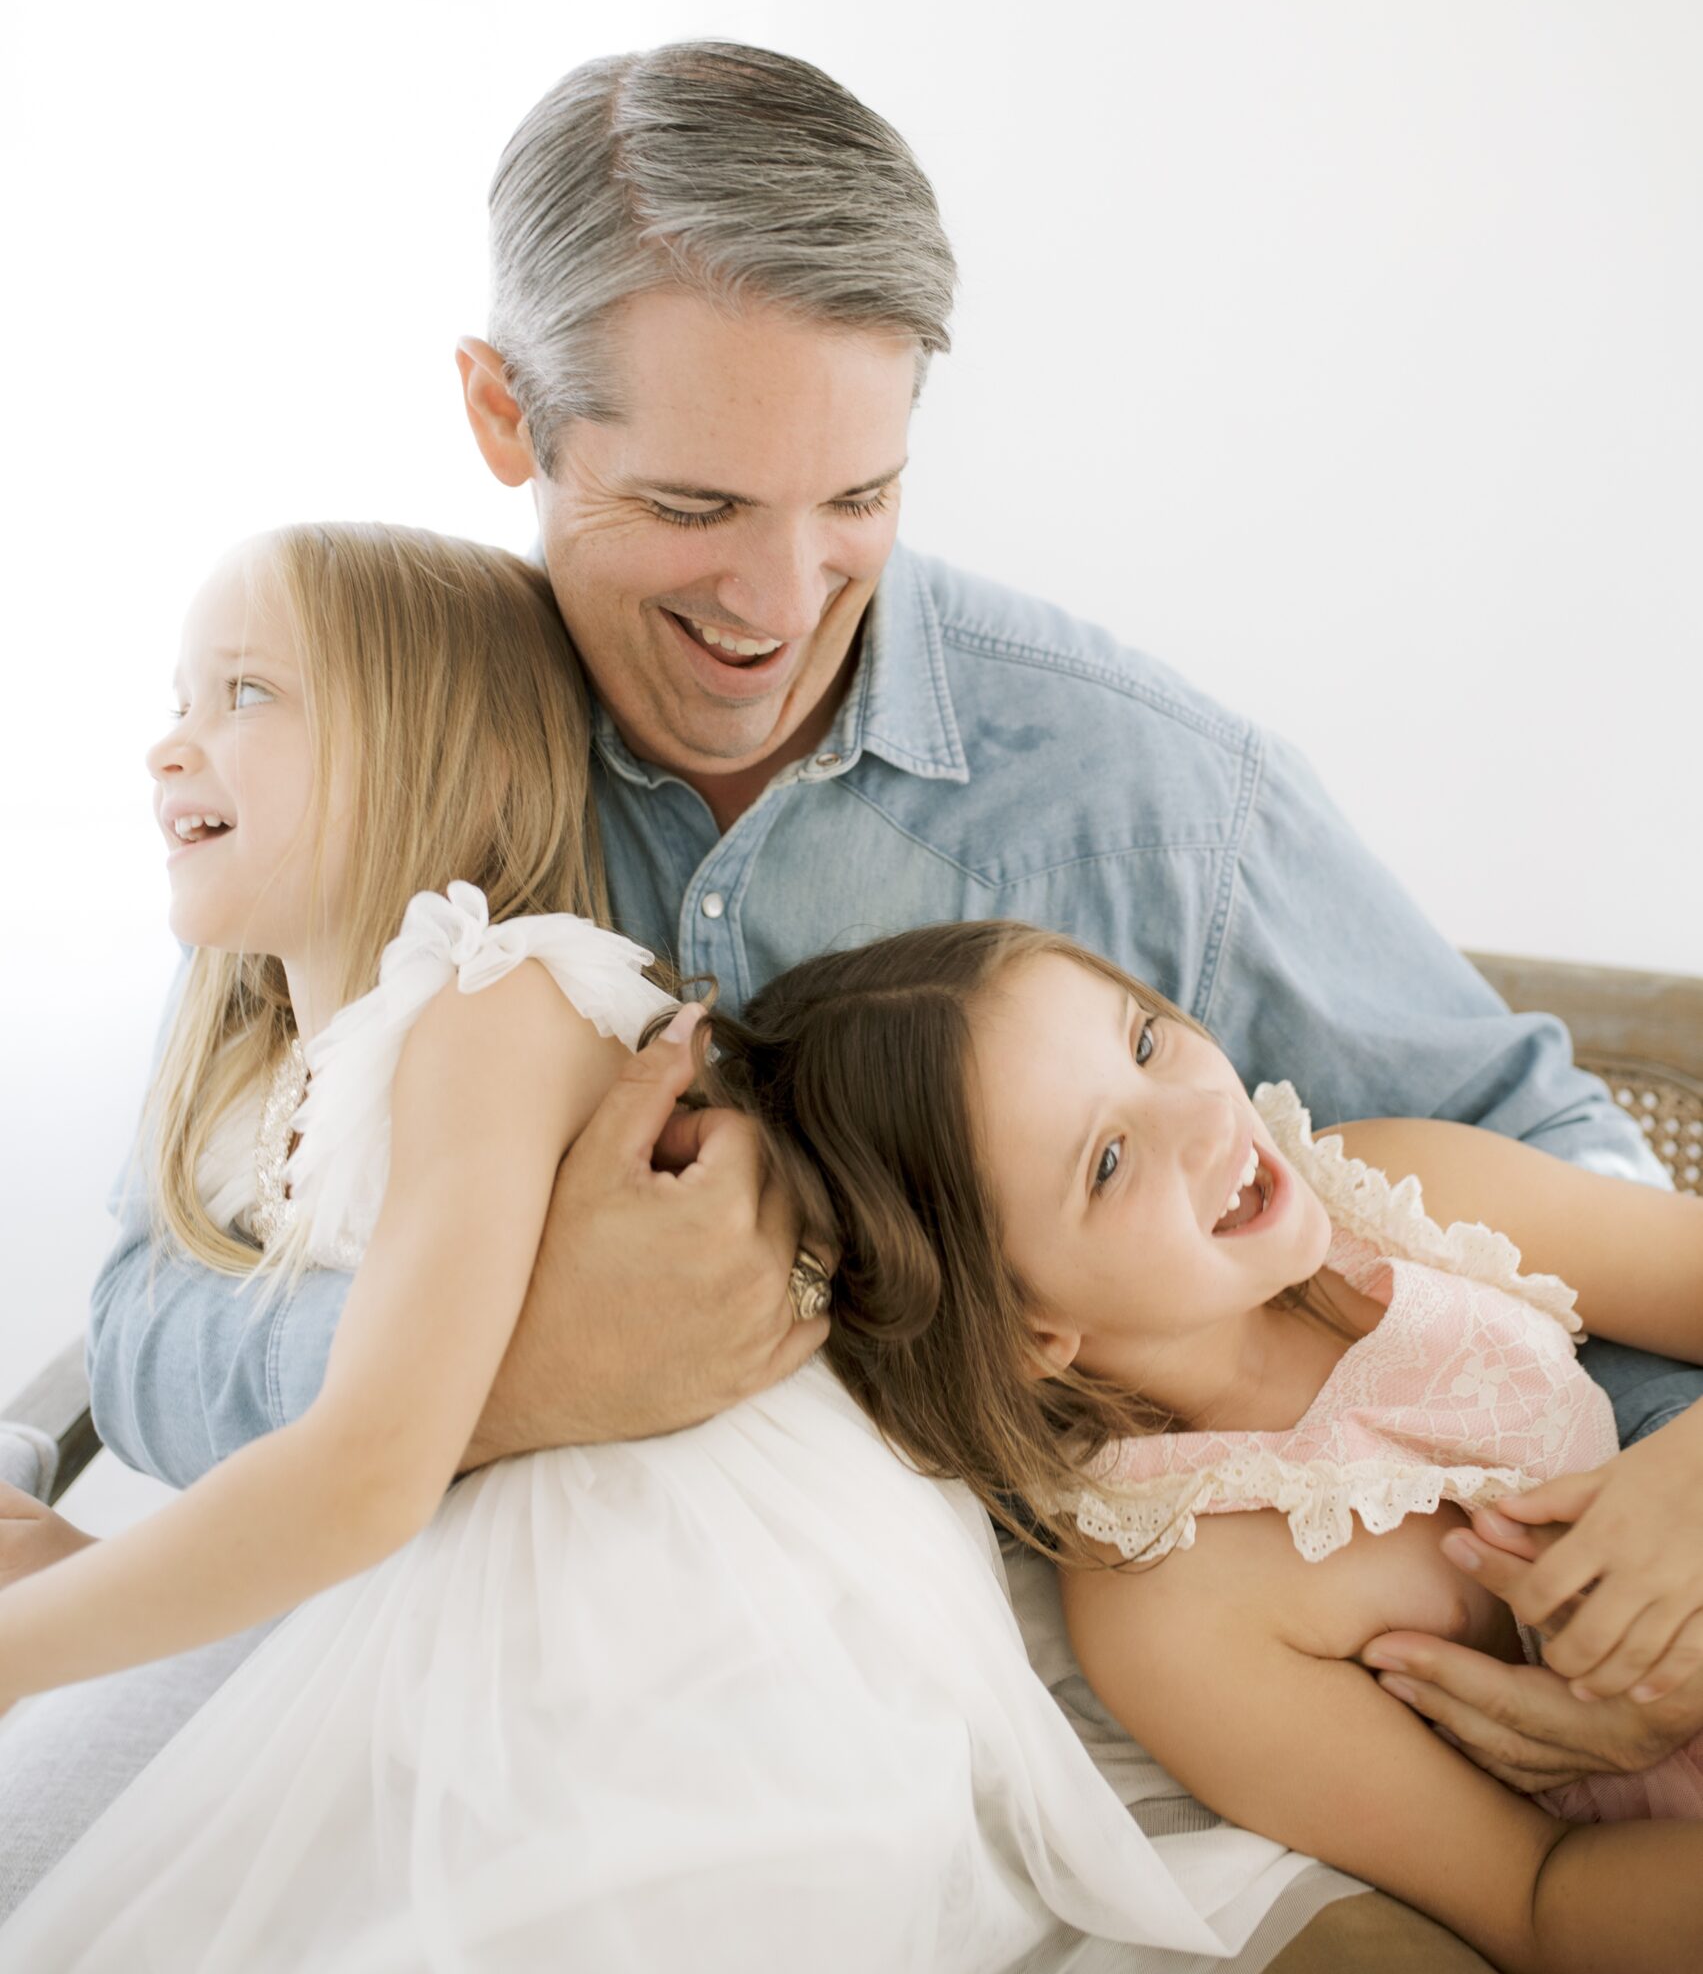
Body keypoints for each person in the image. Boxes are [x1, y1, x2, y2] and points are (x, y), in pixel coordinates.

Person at [3, 44, 1696, 1965]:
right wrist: (512, 1372)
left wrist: (1680, 1486)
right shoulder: (396, 763)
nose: (780, 594)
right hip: (541, 1686)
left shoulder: (1140, 790)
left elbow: (1531, 1166)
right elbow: (155, 1301)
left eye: (858, 497)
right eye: (693, 501)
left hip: (1114, 1717)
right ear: (504, 415)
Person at [0, 524, 1216, 1971]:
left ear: (429, 753)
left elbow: (372, 1470)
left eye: (246, 695)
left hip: (686, 1603)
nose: (170, 745)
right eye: (181, 694)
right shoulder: (276, 1066)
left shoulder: (494, 1002)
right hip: (492, 1548)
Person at [689, 919, 1703, 1973]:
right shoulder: (1170, 1609)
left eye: (1141, 1042)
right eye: (1109, 1162)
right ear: (1033, 1333)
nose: (1204, 1118)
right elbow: (1536, 1899)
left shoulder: (1399, 1194)